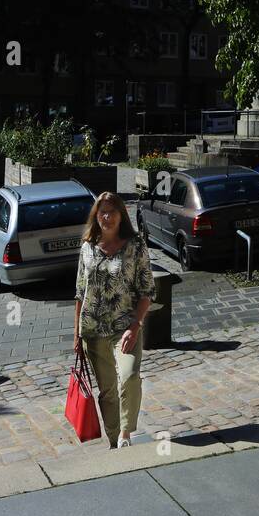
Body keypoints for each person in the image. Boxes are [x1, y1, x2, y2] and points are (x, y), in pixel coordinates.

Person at [73, 191, 156, 448]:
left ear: (122, 215)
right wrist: (76, 335)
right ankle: (114, 442)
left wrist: (136, 325)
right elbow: (79, 292)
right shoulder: (87, 247)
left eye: (112, 211)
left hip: (124, 327)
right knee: (107, 391)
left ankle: (125, 434)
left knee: (130, 376)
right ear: (96, 216)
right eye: (102, 212)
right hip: (93, 330)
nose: (107, 217)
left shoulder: (135, 245)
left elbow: (147, 291)